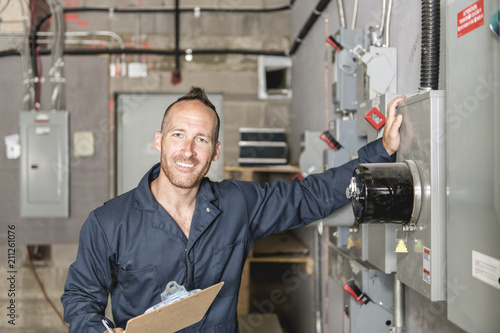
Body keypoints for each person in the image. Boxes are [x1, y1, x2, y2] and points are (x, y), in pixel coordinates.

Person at [61, 87, 405, 333]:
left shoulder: (238, 204)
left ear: (215, 151)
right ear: (159, 140)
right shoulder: (108, 223)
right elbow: (79, 297)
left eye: (202, 139)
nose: (188, 151)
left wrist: (381, 151)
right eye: (178, 134)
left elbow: (309, 196)